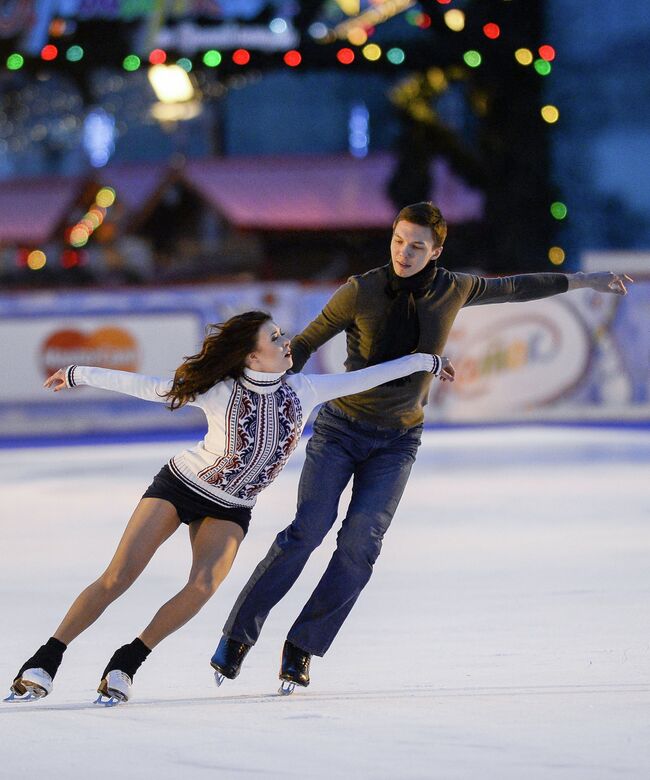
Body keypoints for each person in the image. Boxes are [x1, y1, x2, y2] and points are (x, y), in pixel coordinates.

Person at [212, 202, 634, 693]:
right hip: (340, 432)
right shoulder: (360, 290)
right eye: (398, 240)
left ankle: (303, 646)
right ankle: (238, 635)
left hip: (397, 442)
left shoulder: (454, 288)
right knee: (308, 530)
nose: (404, 252)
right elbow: (304, 344)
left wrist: (584, 280)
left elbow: (517, 287)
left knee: (359, 547)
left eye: (417, 245)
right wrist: (260, 386)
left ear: (436, 250)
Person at [6, 310, 451, 705]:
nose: (286, 342)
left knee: (202, 586)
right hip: (182, 485)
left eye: (281, 334)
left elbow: (368, 376)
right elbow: (148, 387)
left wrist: (426, 361)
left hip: (232, 507)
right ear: (252, 358)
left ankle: (129, 659)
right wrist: (77, 372)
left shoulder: (305, 389)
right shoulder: (218, 390)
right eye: (274, 339)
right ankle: (46, 658)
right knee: (118, 576)